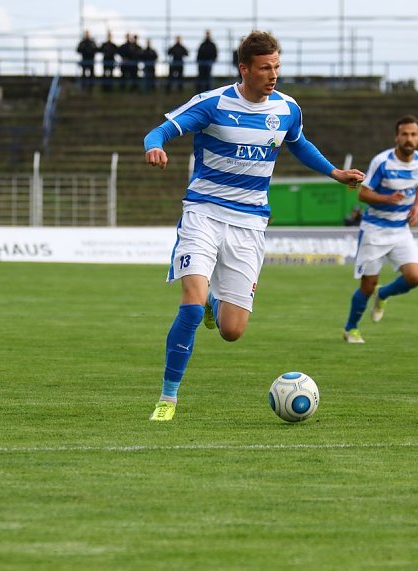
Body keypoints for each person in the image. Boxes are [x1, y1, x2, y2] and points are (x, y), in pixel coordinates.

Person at [143, 31, 365, 421]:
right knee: (191, 309)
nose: (273, 74)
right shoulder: (213, 104)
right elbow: (159, 130)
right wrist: (154, 146)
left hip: (250, 225)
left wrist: (334, 172)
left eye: (277, 66)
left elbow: (298, 142)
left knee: (232, 330)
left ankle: (216, 302)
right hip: (204, 214)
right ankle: (168, 398)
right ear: (244, 69)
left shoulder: (287, 108)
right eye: (265, 68)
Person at [342, 115, 418, 344]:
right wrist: (386, 198)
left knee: (415, 276)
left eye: (413, 134)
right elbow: (363, 193)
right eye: (404, 134)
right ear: (396, 137)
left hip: (401, 230)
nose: (409, 139)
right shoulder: (382, 162)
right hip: (375, 230)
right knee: (367, 286)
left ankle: (384, 294)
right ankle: (351, 328)